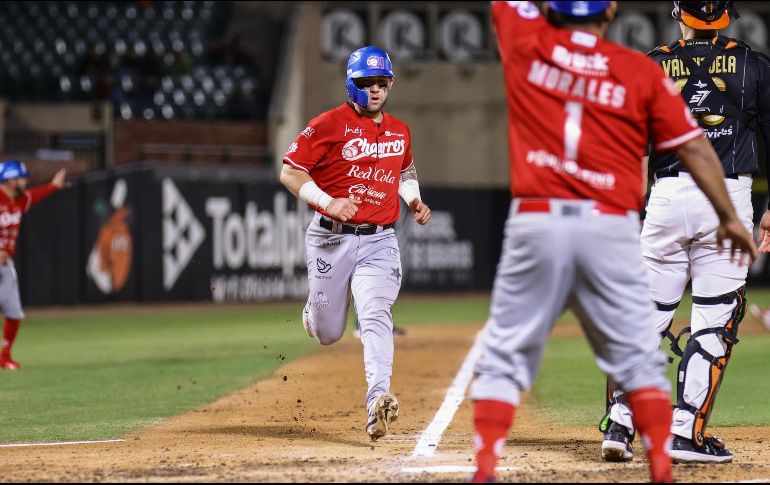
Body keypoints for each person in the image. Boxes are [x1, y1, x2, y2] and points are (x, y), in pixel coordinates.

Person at [469, 2, 757, 483]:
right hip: (616, 219)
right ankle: (667, 460)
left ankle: (499, 465)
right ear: (609, 12)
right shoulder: (632, 71)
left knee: (510, 349)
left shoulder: (531, 45)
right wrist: (728, 217)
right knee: (651, 340)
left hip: (540, 216)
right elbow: (692, 145)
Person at [600, 0, 770, 465]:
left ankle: (620, 422)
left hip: (667, 198)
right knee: (714, 320)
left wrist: (633, 211)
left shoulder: (651, 65)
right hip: (727, 199)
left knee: (645, 316)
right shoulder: (754, 65)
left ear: (680, 15)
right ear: (725, 17)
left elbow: (631, 150)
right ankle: (684, 432)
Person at [278, 46, 431, 441]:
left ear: (391, 84)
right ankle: (315, 310)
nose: (375, 90)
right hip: (331, 239)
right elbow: (290, 172)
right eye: (366, 83)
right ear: (351, 83)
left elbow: (406, 166)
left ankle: (377, 400)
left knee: (375, 312)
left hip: (379, 241)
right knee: (328, 332)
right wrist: (328, 202)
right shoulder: (328, 124)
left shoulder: (399, 129)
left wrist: (412, 198)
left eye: (382, 83)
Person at [0, 161, 66, 369]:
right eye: (21, 177)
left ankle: (4, 356)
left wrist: (54, 185)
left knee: (13, 312)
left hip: (5, 266)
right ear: (10, 180)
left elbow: (36, 195)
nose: (25, 181)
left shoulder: (18, 200)